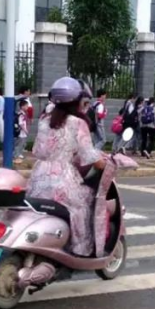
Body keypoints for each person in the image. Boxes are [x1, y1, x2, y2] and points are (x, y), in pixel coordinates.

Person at [28, 77, 104, 257]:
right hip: (63, 179)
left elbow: (37, 150)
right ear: (77, 101)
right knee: (85, 201)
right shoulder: (78, 123)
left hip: (37, 179)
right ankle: (80, 249)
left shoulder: (44, 120)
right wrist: (103, 163)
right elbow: (88, 154)